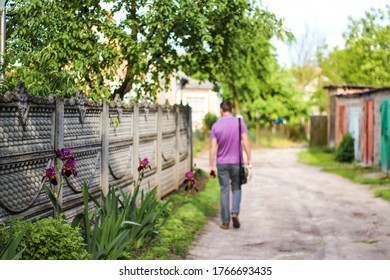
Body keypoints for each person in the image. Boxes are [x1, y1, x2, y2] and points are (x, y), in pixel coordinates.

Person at [209, 100, 251, 230]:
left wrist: (211, 166)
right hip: (237, 163)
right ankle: (234, 212)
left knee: (224, 191)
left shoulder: (216, 126)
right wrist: (249, 158)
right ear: (232, 110)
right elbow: (245, 141)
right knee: (237, 188)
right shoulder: (239, 123)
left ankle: (225, 222)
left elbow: (213, 147)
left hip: (222, 164)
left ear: (221, 110)